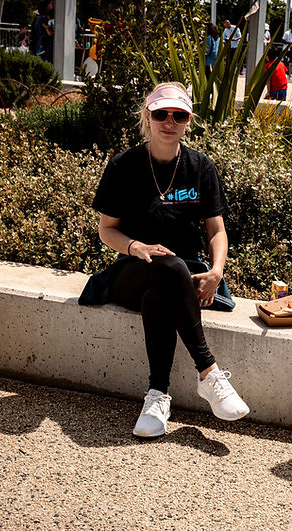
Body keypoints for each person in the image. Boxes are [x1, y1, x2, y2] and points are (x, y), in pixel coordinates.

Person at [80, 83, 250, 437]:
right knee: (168, 265)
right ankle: (208, 372)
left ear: (189, 121)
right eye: (160, 113)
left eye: (179, 115)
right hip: (132, 271)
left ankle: (157, 397)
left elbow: (216, 232)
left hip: (183, 282)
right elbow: (107, 230)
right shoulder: (124, 166)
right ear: (148, 116)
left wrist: (217, 272)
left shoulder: (200, 167)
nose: (169, 121)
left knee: (161, 293)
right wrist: (136, 248)